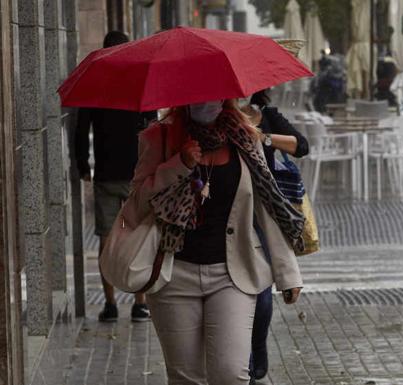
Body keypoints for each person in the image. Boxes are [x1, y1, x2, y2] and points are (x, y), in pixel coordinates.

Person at [122, 98, 304, 385]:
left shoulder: (245, 138)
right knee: (186, 378)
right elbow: (135, 206)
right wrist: (177, 165)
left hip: (233, 273)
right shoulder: (160, 136)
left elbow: (267, 208)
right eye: (196, 95)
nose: (206, 101)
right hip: (173, 275)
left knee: (230, 374)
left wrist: (287, 273)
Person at [74, 30, 157, 322]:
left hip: (107, 176)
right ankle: (141, 302)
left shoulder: (94, 84)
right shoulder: (141, 84)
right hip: (138, 176)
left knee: (107, 240)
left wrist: (83, 164)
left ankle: (110, 304)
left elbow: (81, 129)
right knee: (139, 236)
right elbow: (154, 129)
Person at [246, 89, 309, 383]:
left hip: (264, 209)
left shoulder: (267, 116)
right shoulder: (216, 119)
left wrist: (264, 138)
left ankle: (256, 346)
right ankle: (241, 354)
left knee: (260, 285)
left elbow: (301, 145)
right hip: (226, 211)